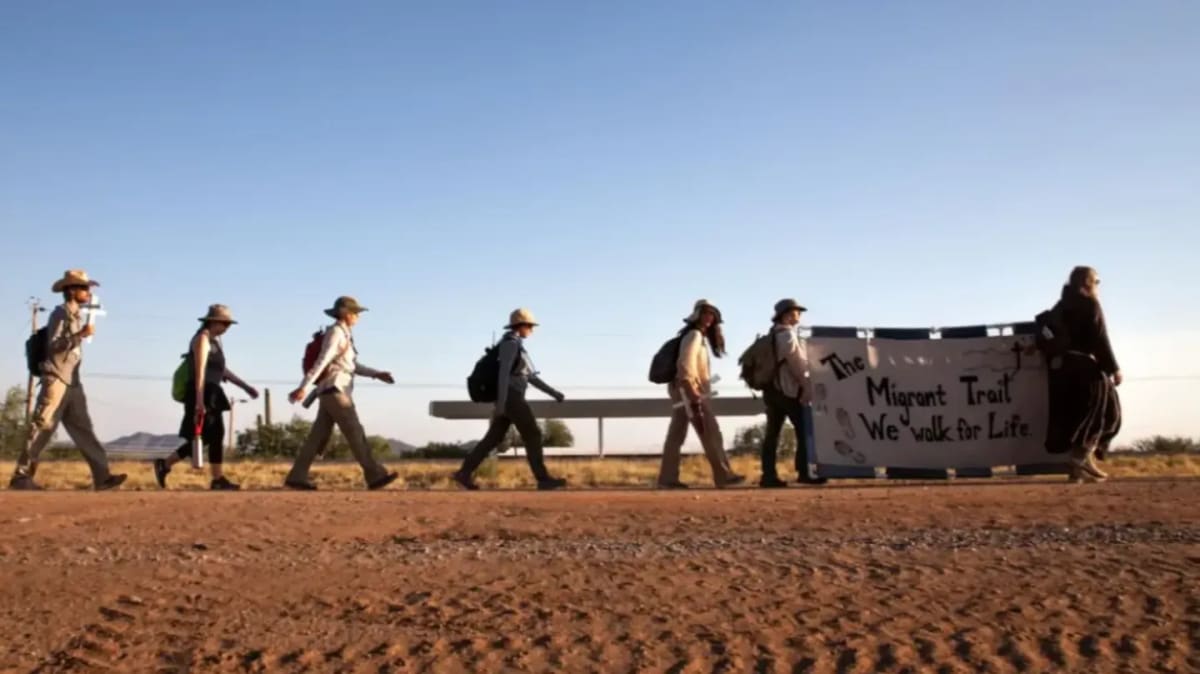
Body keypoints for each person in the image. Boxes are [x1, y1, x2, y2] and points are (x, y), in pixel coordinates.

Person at [10, 270, 126, 491]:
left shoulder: (75, 315)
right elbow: (54, 346)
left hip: (72, 381)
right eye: (84, 288)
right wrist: (79, 335)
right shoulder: (60, 314)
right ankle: (21, 476)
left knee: (84, 429)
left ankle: (102, 477)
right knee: (42, 426)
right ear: (72, 290)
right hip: (56, 379)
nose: (88, 292)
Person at [284, 296, 399, 491]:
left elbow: (351, 365)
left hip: (330, 390)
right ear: (346, 314)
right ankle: (375, 475)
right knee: (355, 432)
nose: (358, 317)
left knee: (317, 437)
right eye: (356, 313)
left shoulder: (344, 334)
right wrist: (303, 386)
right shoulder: (336, 333)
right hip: (335, 391)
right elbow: (322, 361)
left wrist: (376, 374)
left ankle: (297, 476)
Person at [453, 309, 568, 491]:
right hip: (511, 398)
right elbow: (503, 374)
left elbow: (530, 377)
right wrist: (502, 402)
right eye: (529, 326)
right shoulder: (510, 344)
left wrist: (553, 393)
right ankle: (543, 478)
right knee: (533, 434)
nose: (531, 330)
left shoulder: (517, 346)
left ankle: (464, 473)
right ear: (521, 326)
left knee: (493, 438)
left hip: (510, 398)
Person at [154, 305, 258, 490]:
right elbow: (200, 371)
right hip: (202, 393)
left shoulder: (215, 342)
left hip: (213, 393)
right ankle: (171, 465)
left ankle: (209, 476)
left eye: (228, 324)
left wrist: (245, 386)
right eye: (224, 323)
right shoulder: (202, 339)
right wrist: (200, 401)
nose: (227, 327)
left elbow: (221, 370)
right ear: (213, 321)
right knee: (207, 435)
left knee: (215, 435)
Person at [1044, 266, 1122, 483]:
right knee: (1106, 414)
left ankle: (1078, 470)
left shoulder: (1060, 306)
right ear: (1088, 282)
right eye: (1096, 281)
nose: (1098, 285)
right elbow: (1100, 338)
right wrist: (1113, 368)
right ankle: (1080, 458)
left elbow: (1047, 331)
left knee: (1077, 417)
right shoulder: (1090, 304)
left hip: (1063, 368)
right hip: (1085, 367)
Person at [657, 300, 745, 489]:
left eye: (712, 314)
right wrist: (691, 390)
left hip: (682, 390)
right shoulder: (695, 335)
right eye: (705, 313)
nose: (709, 317)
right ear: (697, 315)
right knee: (710, 432)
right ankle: (723, 475)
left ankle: (667, 478)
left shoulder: (694, 336)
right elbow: (685, 363)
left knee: (676, 435)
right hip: (689, 390)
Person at [759, 299, 828, 488]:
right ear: (787, 314)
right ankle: (804, 473)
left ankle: (768, 475)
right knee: (804, 430)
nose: (799, 315)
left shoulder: (772, 335)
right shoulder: (788, 335)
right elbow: (796, 364)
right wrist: (806, 387)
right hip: (788, 390)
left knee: (772, 434)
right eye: (797, 312)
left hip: (771, 391)